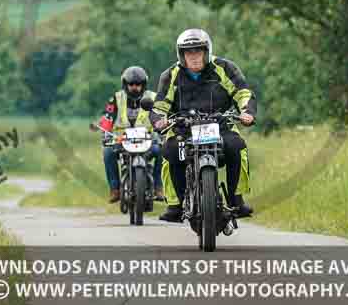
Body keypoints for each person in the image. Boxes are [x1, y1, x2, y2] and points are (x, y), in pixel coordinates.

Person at [150, 29, 256, 223]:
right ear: (181, 55)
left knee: (238, 147)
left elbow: (243, 92)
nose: (194, 56)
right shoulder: (170, 75)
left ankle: (236, 199)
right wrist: (159, 119)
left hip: (221, 126)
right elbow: (159, 105)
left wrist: (246, 111)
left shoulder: (225, 68)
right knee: (169, 151)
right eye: (189, 52)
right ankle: (175, 204)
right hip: (183, 129)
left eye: (198, 51)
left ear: (207, 51)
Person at [102, 66, 164, 203]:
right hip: (122, 141)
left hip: (148, 140)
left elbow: (161, 117)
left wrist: (162, 133)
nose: (135, 87)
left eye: (138, 84)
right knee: (107, 152)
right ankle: (115, 189)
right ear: (125, 84)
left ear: (144, 85)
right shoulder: (117, 98)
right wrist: (106, 134)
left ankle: (158, 186)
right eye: (131, 84)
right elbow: (107, 118)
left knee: (164, 150)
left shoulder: (153, 98)